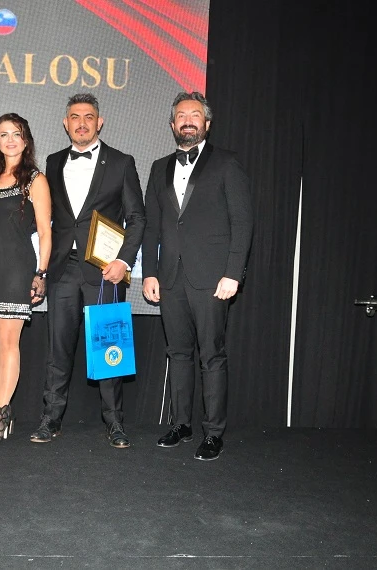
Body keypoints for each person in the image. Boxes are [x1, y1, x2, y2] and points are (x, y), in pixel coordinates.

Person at [142, 91, 253, 461]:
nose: (187, 120)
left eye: (194, 115)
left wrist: (233, 274)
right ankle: (181, 424)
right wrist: (150, 273)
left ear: (206, 122)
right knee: (177, 353)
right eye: (180, 115)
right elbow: (152, 227)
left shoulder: (227, 163)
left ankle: (214, 432)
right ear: (172, 124)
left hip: (212, 277)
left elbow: (243, 222)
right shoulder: (158, 167)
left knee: (211, 355)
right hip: (170, 277)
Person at [30, 93, 145, 449]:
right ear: (65, 124)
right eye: (75, 117)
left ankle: (115, 424)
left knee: (110, 347)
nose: (82, 123)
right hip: (63, 269)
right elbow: (46, 220)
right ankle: (51, 420)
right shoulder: (52, 162)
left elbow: (137, 217)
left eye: (89, 117)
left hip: (105, 270)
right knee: (58, 349)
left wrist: (123, 261)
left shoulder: (122, 162)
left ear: (100, 122)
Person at [0, 113, 52, 445]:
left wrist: (41, 273)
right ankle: (3, 411)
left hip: (17, 270)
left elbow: (45, 232)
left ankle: (1, 413)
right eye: (3, 134)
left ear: (26, 139)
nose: (10, 140)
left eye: (16, 134)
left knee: (8, 343)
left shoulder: (35, 179)